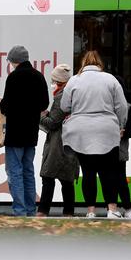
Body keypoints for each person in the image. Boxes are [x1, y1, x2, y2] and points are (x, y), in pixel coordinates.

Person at [61, 51, 127, 218]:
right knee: (108, 172)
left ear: (84, 63)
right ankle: (111, 209)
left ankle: (90, 211)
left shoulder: (74, 80)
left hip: (81, 133)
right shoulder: (110, 79)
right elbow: (122, 107)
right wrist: (121, 125)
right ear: (100, 64)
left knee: (88, 172)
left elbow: (64, 106)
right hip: (107, 131)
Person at [0, 45, 49, 217]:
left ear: (14, 61)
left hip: (15, 133)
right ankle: (30, 210)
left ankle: (19, 210)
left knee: (15, 171)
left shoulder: (13, 78)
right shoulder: (39, 76)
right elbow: (44, 104)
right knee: (28, 171)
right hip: (31, 132)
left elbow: (7, 107)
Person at [36, 64, 79, 217]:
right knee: (66, 180)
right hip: (69, 143)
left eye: (55, 81)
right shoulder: (73, 94)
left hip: (57, 145)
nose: (53, 84)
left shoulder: (62, 97)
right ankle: (68, 213)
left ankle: (42, 212)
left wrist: (41, 115)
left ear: (61, 82)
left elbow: (53, 123)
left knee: (48, 178)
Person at [115, 76, 131, 219]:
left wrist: (123, 133)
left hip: (119, 151)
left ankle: (127, 208)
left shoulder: (128, 107)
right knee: (110, 179)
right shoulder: (106, 106)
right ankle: (113, 208)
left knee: (121, 179)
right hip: (107, 149)